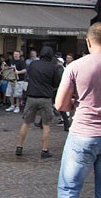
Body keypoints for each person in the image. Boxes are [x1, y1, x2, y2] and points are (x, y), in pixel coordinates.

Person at [56, 23, 101, 197]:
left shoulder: (75, 66)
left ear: (88, 42)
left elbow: (60, 105)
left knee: (69, 190)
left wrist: (75, 103)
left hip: (83, 133)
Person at [14, 46, 60, 159]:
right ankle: (44, 150)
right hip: (45, 98)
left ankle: (19, 147)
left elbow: (28, 76)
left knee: (26, 122)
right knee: (46, 125)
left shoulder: (33, 64)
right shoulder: (53, 67)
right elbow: (56, 83)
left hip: (32, 96)